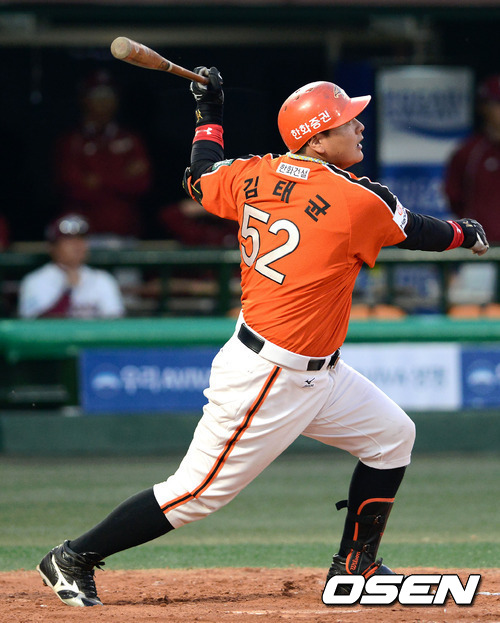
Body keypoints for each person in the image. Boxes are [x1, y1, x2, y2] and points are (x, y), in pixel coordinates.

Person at [36, 69, 489, 607]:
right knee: (195, 494)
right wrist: (467, 234)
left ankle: (356, 566)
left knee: (392, 438)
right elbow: (419, 232)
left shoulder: (252, 172)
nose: (360, 127)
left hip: (316, 369)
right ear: (316, 139)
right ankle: (73, 557)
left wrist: (209, 113)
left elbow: (200, 176)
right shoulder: (356, 198)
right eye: (348, 121)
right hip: (270, 375)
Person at [53, 70, 153, 238]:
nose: (104, 102)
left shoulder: (130, 139)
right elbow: (72, 187)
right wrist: (122, 176)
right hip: (82, 235)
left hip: (125, 231)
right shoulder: (71, 141)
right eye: (97, 96)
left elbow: (142, 184)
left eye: (109, 96)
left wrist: (97, 180)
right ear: (84, 99)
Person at [18, 213, 125, 318]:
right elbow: (35, 326)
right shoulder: (35, 282)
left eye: (81, 238)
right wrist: (68, 291)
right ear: (52, 247)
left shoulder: (103, 280)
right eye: (69, 239)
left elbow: (115, 325)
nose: (77, 245)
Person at [445, 74, 500, 244]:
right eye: (497, 103)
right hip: (481, 248)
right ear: (484, 107)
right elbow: (454, 198)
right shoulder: (469, 152)